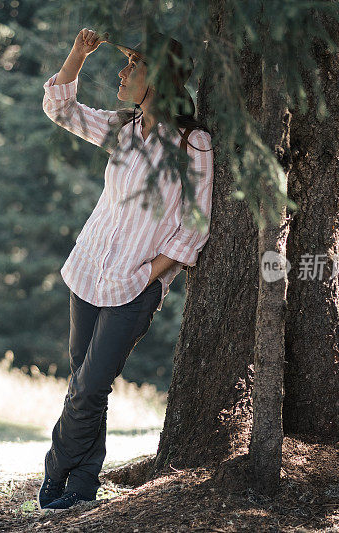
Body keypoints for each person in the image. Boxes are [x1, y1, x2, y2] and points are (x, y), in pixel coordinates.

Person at [37, 28, 214, 510]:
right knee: (85, 386)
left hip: (134, 287)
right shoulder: (124, 127)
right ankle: (82, 486)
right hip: (89, 269)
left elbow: (192, 231)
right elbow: (61, 108)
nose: (122, 71)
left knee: (90, 386)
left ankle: (56, 469)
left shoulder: (193, 145)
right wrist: (77, 53)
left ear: (156, 76)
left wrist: (146, 276)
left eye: (132, 64)